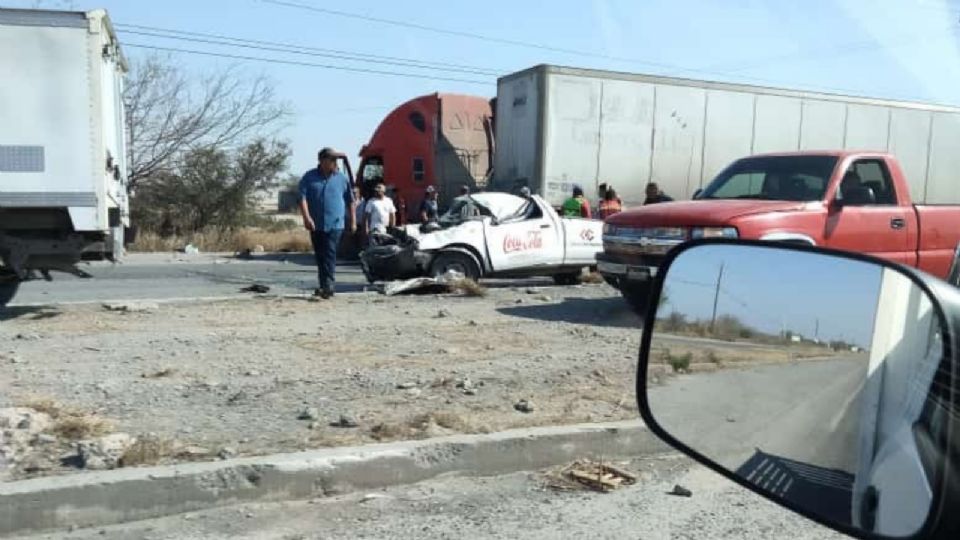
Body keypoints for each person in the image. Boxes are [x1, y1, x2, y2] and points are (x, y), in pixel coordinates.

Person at [299, 147, 356, 299]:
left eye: (335, 160)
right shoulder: (309, 177)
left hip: (335, 224)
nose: (334, 163)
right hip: (316, 223)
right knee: (320, 255)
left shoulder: (341, 178)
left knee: (329, 253)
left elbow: (351, 201)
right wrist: (306, 217)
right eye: (331, 160)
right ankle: (324, 285)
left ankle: (329, 286)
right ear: (322, 161)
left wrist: (353, 221)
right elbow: (302, 198)